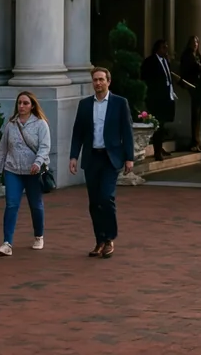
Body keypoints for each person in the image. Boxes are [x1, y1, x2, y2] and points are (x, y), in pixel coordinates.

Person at [69, 65, 134, 257]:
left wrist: (129, 158)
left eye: (101, 80)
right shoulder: (85, 105)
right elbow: (77, 133)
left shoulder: (120, 103)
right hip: (92, 158)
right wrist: (73, 156)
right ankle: (99, 240)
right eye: (95, 80)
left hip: (110, 158)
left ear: (108, 81)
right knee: (94, 202)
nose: (98, 83)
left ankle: (109, 239)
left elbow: (127, 132)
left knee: (106, 198)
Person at [0, 90, 51, 255]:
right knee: (11, 205)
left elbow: (45, 147)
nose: (22, 106)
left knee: (35, 205)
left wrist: (38, 163)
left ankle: (39, 236)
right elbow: (2, 149)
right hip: (12, 170)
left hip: (33, 172)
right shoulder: (11, 124)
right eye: (19, 103)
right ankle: (7, 243)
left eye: (25, 103)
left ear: (32, 106)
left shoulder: (40, 124)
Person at [140, 38, 177, 161]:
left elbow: (168, 77)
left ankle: (159, 147)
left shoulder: (165, 61)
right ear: (158, 48)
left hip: (166, 96)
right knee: (157, 124)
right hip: (156, 98)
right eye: (164, 47)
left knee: (163, 123)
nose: (166, 49)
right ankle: (157, 151)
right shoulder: (150, 61)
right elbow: (146, 77)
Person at [178, 36, 201, 153]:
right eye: (193, 41)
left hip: (198, 86)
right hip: (192, 85)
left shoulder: (197, 55)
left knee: (197, 114)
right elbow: (192, 69)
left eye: (197, 41)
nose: (195, 44)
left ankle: (197, 140)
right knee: (195, 113)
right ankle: (195, 141)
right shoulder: (188, 55)